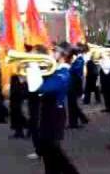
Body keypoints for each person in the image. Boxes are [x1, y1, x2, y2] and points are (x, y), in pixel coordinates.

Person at [26, 44, 80, 174]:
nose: (52, 52)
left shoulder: (64, 73)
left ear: (63, 56)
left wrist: (33, 66)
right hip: (48, 112)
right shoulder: (55, 70)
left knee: (54, 152)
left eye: (55, 51)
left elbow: (39, 88)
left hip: (55, 115)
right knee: (48, 152)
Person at [67, 43, 89, 129]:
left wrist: (70, 65)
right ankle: (75, 122)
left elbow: (75, 71)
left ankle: (75, 122)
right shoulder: (76, 59)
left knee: (73, 104)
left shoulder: (80, 60)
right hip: (72, 83)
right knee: (71, 104)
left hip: (75, 84)